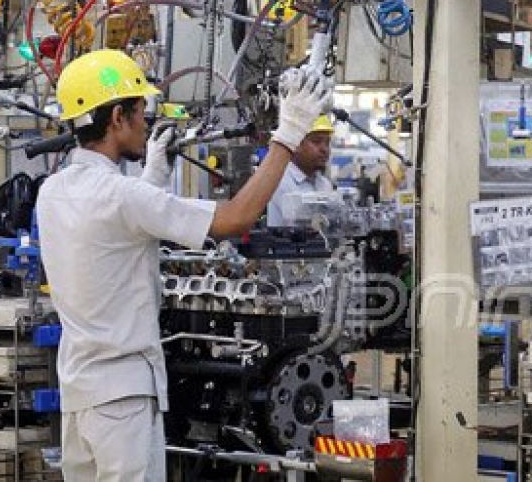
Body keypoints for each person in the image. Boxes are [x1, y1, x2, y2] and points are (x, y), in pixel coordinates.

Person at [36, 49, 332, 481]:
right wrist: (287, 136)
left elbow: (115, 229)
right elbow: (236, 217)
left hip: (80, 393)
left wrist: (153, 176)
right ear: (117, 117)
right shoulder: (125, 198)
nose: (146, 122)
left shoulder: (54, 191)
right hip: (123, 399)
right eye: (140, 112)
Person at [266, 114, 335, 227]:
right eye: (316, 141)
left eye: (327, 142)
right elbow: (305, 224)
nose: (324, 149)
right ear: (296, 144)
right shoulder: (280, 182)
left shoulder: (324, 184)